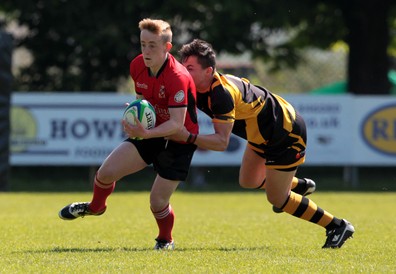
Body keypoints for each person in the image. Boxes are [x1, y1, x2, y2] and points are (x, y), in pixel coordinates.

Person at [173, 39, 354, 248]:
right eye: (183, 67)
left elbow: (221, 142)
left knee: (278, 199)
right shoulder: (196, 87)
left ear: (208, 71)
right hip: (262, 134)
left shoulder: (221, 94)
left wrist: (186, 136)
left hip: (286, 133)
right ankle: (300, 185)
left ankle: (336, 226)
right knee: (248, 180)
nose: (184, 73)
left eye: (190, 68)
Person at [58, 18, 198, 251]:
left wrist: (146, 130)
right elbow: (142, 100)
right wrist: (136, 112)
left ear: (167, 47)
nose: (146, 51)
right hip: (150, 132)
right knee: (105, 173)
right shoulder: (137, 66)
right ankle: (95, 207)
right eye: (143, 44)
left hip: (178, 140)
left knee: (157, 202)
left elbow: (176, 125)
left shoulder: (178, 77)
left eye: (152, 45)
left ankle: (165, 240)